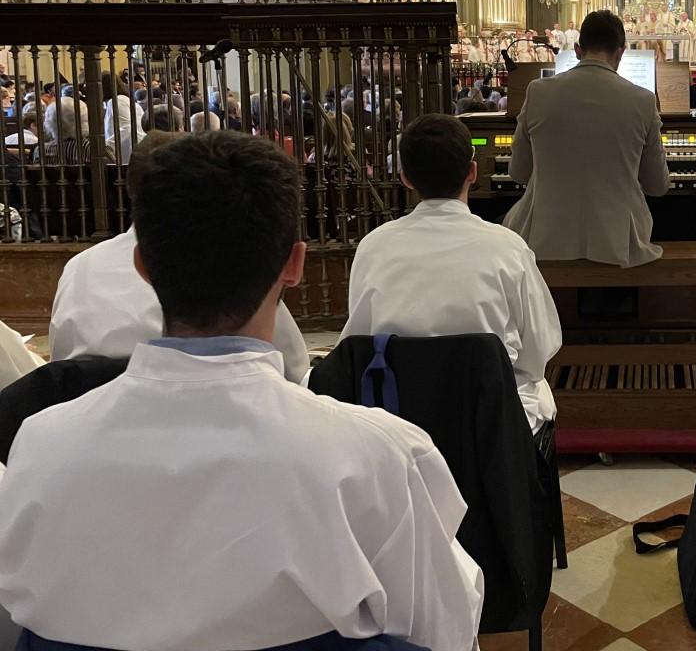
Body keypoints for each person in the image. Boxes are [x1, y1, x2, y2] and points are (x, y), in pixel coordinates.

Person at [0, 132, 483, 649]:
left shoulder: (39, 449)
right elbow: (443, 630)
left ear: (141, 266)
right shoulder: (379, 455)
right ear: (295, 264)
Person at [344, 113, 562, 431]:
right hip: (487, 422)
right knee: (536, 387)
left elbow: (358, 343)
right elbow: (539, 347)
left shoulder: (372, 246)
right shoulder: (508, 247)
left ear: (405, 177)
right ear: (472, 172)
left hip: (400, 417)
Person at [48, 132, 310, 383]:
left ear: (142, 264)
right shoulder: (232, 253)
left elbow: (60, 363)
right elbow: (295, 369)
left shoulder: (79, 266)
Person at [504, 9, 670, 267]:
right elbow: (657, 186)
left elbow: (518, 173)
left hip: (544, 240)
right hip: (619, 243)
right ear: (621, 52)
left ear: (578, 50)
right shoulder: (643, 101)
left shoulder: (537, 91)